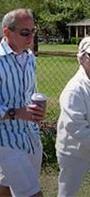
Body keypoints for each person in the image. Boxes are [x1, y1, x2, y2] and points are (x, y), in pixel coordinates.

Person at [0, 8, 46, 197]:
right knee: (32, 193)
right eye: (25, 32)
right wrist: (15, 113)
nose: (30, 36)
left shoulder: (29, 58)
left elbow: (30, 93)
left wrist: (35, 110)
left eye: (33, 31)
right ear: (7, 32)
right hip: (5, 139)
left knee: (5, 189)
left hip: (29, 135)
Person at [56, 36, 90, 197]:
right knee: (67, 193)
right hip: (72, 151)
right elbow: (75, 127)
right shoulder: (74, 90)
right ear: (82, 58)